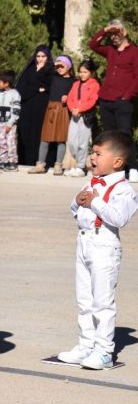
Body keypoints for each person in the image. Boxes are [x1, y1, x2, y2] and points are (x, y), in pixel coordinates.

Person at [54, 130, 138, 369]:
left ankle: (104, 350)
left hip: (105, 245)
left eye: (98, 153)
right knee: (84, 299)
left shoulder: (125, 190)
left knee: (102, 301)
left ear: (117, 161)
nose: (92, 157)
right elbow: (76, 210)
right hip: (84, 241)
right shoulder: (91, 182)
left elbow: (119, 218)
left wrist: (95, 202)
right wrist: (78, 201)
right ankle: (86, 344)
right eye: (92, 152)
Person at [87, 19, 138, 181]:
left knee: (124, 135)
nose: (114, 37)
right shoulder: (110, 50)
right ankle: (111, 169)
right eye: (112, 35)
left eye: (117, 33)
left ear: (125, 32)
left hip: (122, 101)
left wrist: (127, 96)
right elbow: (93, 45)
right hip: (106, 99)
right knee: (109, 136)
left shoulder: (134, 51)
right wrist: (106, 29)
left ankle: (132, 167)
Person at [29, 56, 74, 175]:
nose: (59, 68)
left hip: (63, 110)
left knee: (61, 139)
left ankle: (58, 165)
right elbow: (38, 76)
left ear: (69, 66)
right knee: (45, 138)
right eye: (57, 66)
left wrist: (68, 98)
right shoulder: (53, 78)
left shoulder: (73, 81)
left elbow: (75, 96)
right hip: (51, 109)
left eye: (62, 66)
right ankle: (40, 165)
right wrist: (52, 64)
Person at [15, 45, 54, 166]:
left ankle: (42, 162)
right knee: (26, 133)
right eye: (38, 56)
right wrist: (37, 89)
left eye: (43, 56)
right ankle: (26, 161)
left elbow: (50, 87)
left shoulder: (51, 70)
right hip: (27, 107)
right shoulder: (29, 69)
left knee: (40, 134)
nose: (41, 59)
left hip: (43, 108)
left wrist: (41, 72)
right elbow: (21, 89)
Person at [64, 60, 100, 177]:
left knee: (83, 143)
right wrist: (73, 108)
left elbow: (92, 101)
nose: (82, 74)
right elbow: (70, 98)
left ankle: (80, 166)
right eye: (80, 72)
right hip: (74, 116)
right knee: (72, 142)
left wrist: (80, 109)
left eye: (85, 72)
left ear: (91, 73)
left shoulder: (94, 84)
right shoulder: (76, 84)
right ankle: (78, 164)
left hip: (85, 117)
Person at [0, 71, 20, 171]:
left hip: (10, 124)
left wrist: (10, 123)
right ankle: (4, 161)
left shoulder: (15, 94)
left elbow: (16, 110)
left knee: (10, 142)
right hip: (0, 123)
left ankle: (12, 162)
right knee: (0, 142)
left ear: (6, 83)